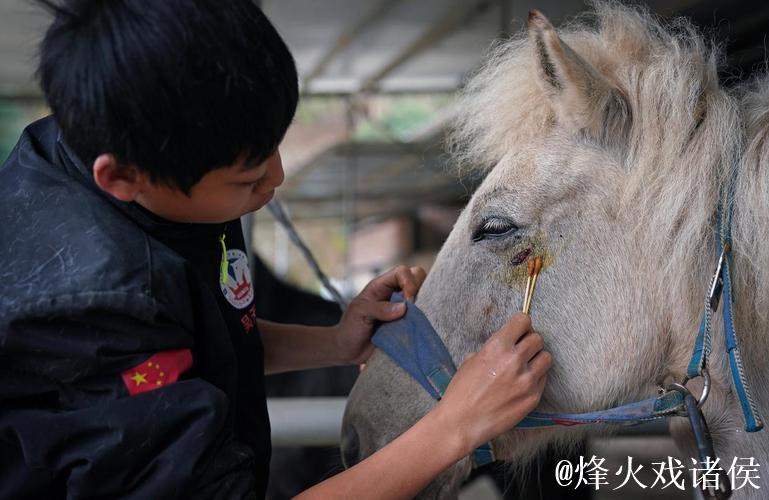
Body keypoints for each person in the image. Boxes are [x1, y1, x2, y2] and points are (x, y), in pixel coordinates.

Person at [0, 1, 552, 498]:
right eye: (246, 179)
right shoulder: (86, 311)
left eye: (272, 151)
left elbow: (198, 335)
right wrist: (455, 427)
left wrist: (335, 342)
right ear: (123, 177)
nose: (276, 180)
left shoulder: (128, 143)